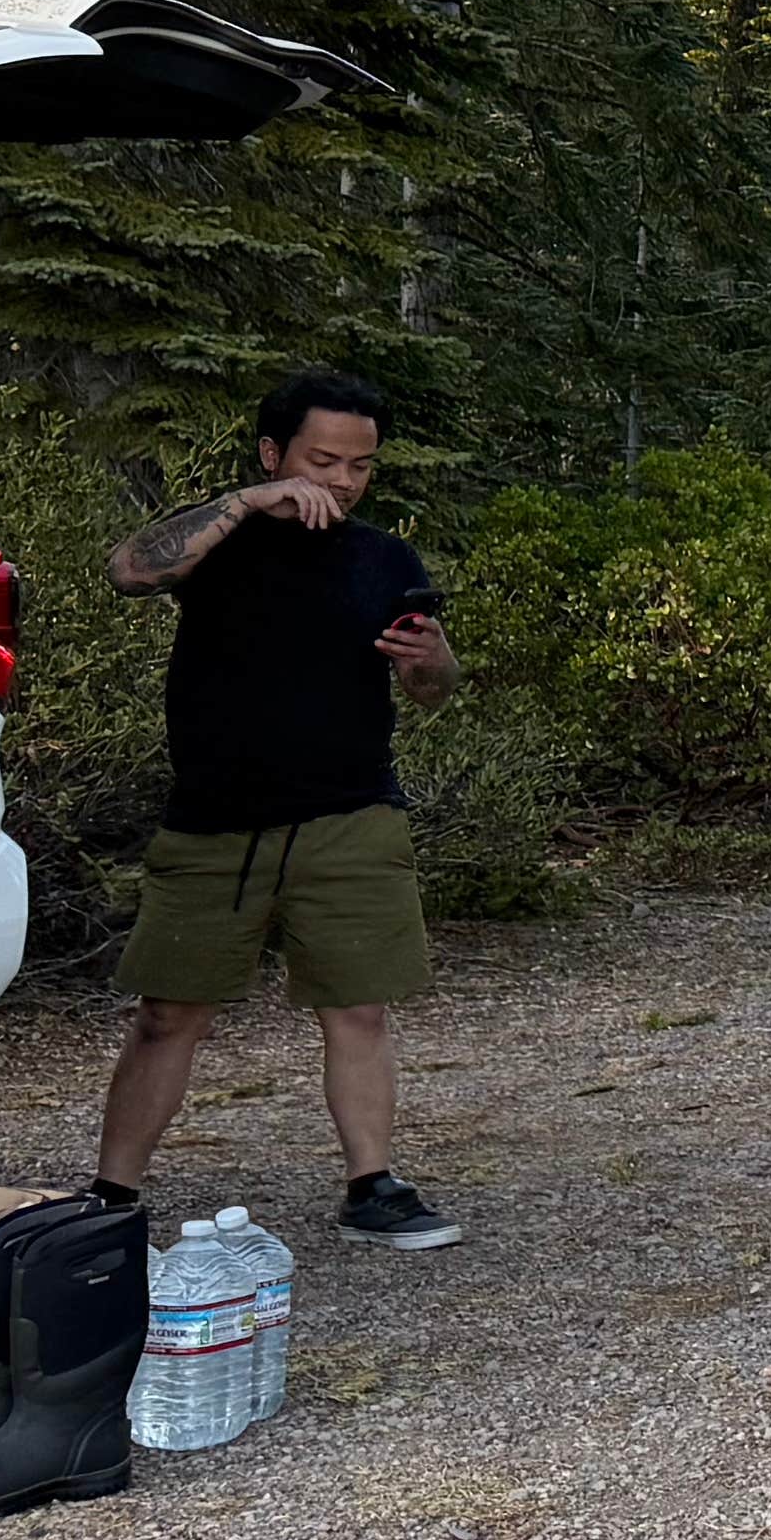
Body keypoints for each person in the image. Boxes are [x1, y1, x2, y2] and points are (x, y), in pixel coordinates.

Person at [92, 366, 468, 1247]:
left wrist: (433, 662)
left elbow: (433, 690)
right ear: (273, 453)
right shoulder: (219, 542)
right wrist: (246, 504)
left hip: (351, 815)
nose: (343, 480)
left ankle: (372, 1186)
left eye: (361, 465)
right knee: (167, 1016)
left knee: (360, 1008)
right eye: (323, 460)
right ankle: (109, 1199)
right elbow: (129, 570)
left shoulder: (385, 558)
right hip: (214, 821)